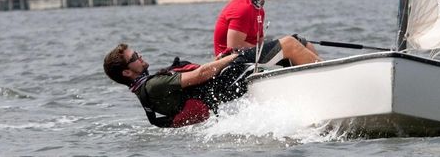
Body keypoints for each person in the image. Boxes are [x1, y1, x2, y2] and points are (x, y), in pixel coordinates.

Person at [103, 36, 320, 128]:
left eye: (137, 53)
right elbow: (199, 76)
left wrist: (220, 61)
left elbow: (198, 79)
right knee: (290, 44)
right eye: (134, 58)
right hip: (228, 81)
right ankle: (326, 80)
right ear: (127, 73)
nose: (139, 57)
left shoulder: (146, 91)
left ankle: (314, 90)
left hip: (222, 84)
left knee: (298, 42)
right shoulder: (152, 86)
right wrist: (233, 57)